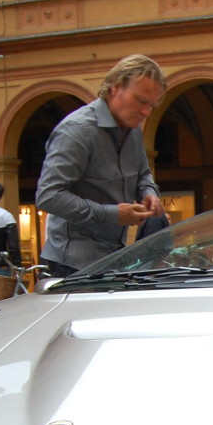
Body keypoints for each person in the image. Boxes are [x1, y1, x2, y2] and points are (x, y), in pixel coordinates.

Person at [35, 54, 166, 277]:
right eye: (141, 101)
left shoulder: (132, 128)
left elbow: (143, 173)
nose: (146, 112)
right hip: (71, 264)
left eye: (152, 105)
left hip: (111, 259)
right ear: (115, 88)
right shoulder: (77, 131)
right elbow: (48, 196)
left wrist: (149, 192)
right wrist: (112, 214)